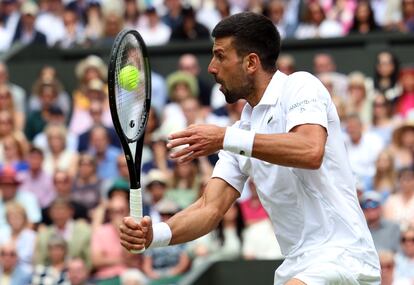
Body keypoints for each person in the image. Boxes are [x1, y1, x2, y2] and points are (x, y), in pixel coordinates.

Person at [119, 12, 381, 284]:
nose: (211, 67)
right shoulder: (241, 131)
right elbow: (210, 208)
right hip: (297, 265)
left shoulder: (300, 86)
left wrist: (224, 138)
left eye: (220, 56)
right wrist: (155, 235)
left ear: (251, 62)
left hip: (343, 257)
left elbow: (310, 150)